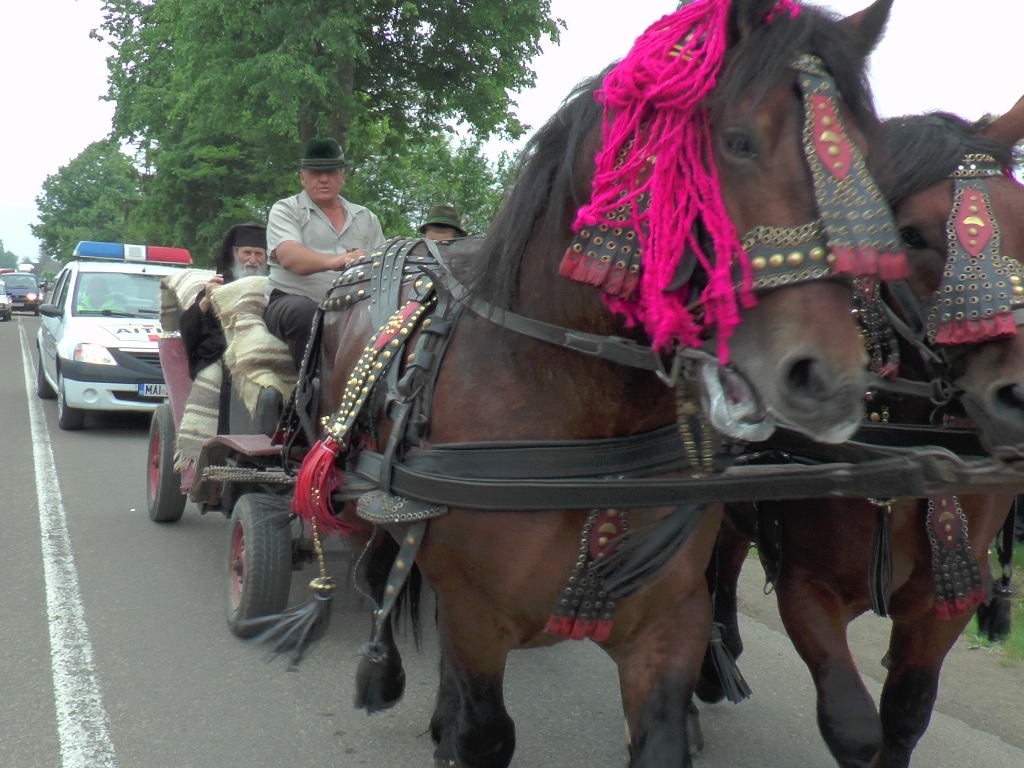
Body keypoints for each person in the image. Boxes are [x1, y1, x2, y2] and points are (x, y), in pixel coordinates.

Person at [264, 137, 386, 369]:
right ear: (302, 177)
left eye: (330, 172)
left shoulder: (366, 218)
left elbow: (383, 268)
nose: (323, 179)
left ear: (342, 176)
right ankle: (310, 393)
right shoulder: (286, 210)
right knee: (305, 314)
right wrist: (338, 261)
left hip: (353, 308)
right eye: (314, 172)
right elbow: (289, 258)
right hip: (291, 301)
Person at [179, 222, 268, 379]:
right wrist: (207, 299)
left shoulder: (272, 287)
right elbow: (188, 329)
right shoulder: (218, 284)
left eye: (258, 254)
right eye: (247, 253)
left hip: (261, 356)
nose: (252, 260)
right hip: (220, 357)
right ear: (235, 253)